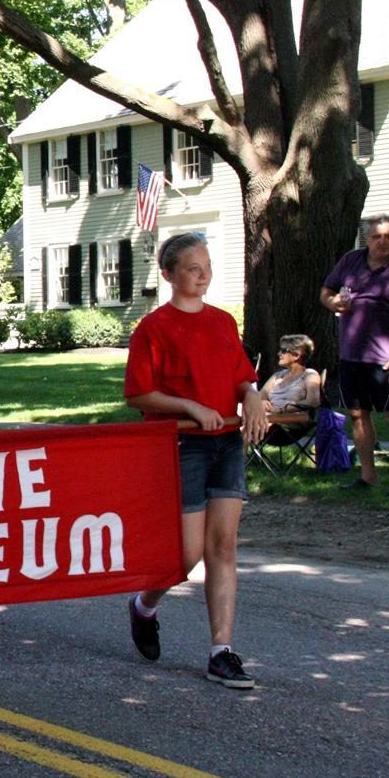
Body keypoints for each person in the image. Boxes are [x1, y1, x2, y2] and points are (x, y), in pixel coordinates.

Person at [124, 233, 269, 690]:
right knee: (185, 558)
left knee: (222, 547)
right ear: (168, 275)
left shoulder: (224, 322)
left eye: (206, 266)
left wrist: (254, 396)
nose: (203, 275)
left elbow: (242, 379)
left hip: (227, 442)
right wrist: (189, 407)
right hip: (183, 444)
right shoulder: (154, 328)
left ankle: (221, 651)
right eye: (192, 268)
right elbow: (139, 394)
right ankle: (144, 605)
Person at [319, 215, 389, 497]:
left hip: (387, 357)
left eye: (388, 237)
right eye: (377, 237)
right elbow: (326, 291)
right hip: (351, 354)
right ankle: (368, 477)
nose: (383, 242)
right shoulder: (350, 261)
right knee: (357, 414)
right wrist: (333, 301)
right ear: (366, 238)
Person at [259, 334, 322, 411]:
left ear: (297, 355)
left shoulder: (310, 375)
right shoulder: (278, 375)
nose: (279, 354)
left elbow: (313, 401)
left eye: (284, 351)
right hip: (270, 418)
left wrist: (282, 410)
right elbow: (260, 396)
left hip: (292, 420)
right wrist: (263, 402)